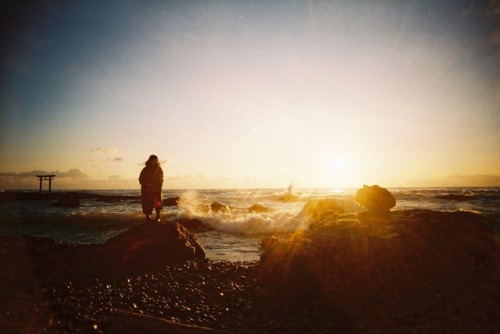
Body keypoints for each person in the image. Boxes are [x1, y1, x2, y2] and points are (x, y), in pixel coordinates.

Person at [139, 154, 164, 222]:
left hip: (156, 189)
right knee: (147, 203)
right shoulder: (145, 169)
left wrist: (159, 185)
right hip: (147, 189)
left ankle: (158, 216)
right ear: (150, 161)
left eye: (156, 161)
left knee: (157, 203)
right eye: (153, 161)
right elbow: (141, 179)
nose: (155, 162)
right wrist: (147, 184)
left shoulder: (159, 169)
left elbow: (161, 178)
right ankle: (147, 217)